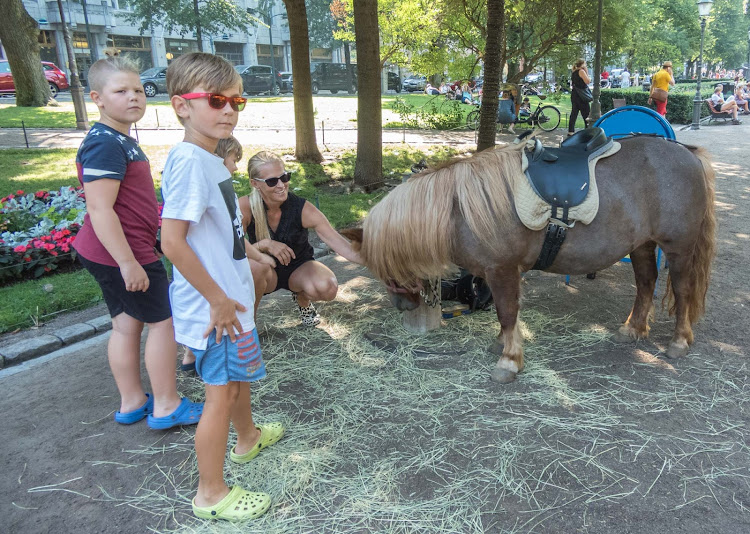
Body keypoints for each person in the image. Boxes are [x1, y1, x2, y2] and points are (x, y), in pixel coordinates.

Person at [160, 52, 283, 522]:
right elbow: (171, 241)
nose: (229, 109)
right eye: (216, 100)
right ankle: (211, 493)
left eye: (237, 101)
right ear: (181, 106)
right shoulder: (191, 162)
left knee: (237, 383)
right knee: (220, 394)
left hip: (231, 301)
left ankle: (248, 437)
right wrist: (217, 300)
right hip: (218, 308)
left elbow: (221, 238)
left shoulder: (208, 159)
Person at [72, 56, 203, 430]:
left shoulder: (117, 139)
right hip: (123, 254)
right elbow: (100, 209)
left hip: (119, 251)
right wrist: (129, 263)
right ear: (97, 98)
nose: (134, 98)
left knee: (127, 325)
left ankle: (132, 401)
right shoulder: (105, 144)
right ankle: (166, 404)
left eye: (139, 90)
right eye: (121, 91)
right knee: (164, 324)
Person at [240, 151, 362, 327]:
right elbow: (231, 245)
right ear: (254, 183)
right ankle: (249, 325)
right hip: (265, 270)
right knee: (254, 266)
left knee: (327, 287)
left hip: (298, 268)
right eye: (272, 181)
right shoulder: (244, 207)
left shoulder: (302, 208)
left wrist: (379, 261)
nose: (281, 185)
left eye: (284, 177)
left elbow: (339, 243)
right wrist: (265, 244)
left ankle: (302, 300)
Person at [179, 135, 245, 374]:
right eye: (233, 159)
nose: (236, 166)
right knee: (225, 387)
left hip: (228, 276)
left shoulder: (222, 183)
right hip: (216, 284)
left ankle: (190, 356)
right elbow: (175, 241)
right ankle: (199, 358)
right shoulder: (192, 166)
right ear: (218, 156)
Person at [569, 58, 591, 136]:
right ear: (582, 64)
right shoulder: (581, 71)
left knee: (574, 113)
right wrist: (586, 71)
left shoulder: (574, 72)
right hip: (581, 96)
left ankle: (571, 131)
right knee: (586, 113)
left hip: (574, 94)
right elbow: (587, 81)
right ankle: (588, 130)